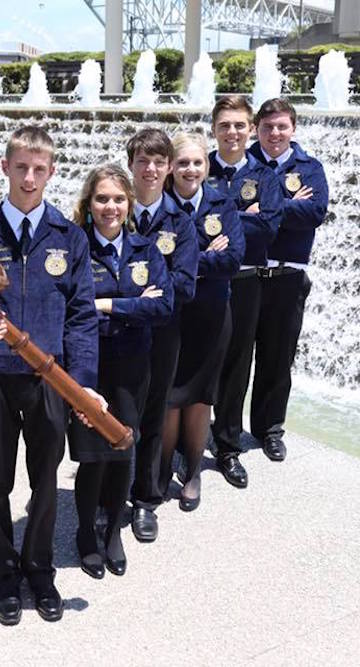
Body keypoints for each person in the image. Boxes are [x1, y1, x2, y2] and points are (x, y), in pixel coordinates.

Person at [0, 126, 102, 625]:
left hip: (49, 381)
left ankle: (39, 570)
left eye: (39, 169)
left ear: (52, 172)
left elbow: (83, 315)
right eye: (21, 166)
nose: (29, 177)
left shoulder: (70, 237)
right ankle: (4, 575)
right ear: (5, 167)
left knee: (45, 480)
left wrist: (82, 382)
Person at [69, 164, 172, 579]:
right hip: (87, 364)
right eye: (101, 199)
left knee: (123, 447)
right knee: (92, 455)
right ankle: (85, 535)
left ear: (129, 203)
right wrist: (134, 304)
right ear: (88, 204)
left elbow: (163, 307)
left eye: (117, 199)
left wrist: (108, 305)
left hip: (132, 365)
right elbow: (73, 308)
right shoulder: (75, 249)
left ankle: (113, 532)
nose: (110, 207)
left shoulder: (146, 249)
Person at [159, 131, 244, 511]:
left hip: (211, 315)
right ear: (171, 167)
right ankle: (160, 473)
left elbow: (232, 260)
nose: (190, 169)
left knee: (199, 400)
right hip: (169, 316)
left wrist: (183, 260)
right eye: (182, 163)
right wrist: (203, 256)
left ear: (206, 166)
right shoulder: (158, 207)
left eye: (197, 162)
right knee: (167, 400)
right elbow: (154, 267)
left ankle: (192, 473)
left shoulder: (222, 204)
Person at [246, 98, 329, 466]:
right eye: (267, 127)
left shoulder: (309, 168)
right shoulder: (242, 164)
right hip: (245, 276)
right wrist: (285, 203)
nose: (274, 134)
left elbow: (314, 212)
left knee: (277, 360)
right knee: (231, 361)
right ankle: (224, 431)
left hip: (288, 277)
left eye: (281, 127)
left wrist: (264, 206)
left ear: (292, 128)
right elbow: (228, 209)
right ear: (256, 130)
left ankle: (269, 430)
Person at [207, 96, 284, 489]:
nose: (232, 132)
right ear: (214, 128)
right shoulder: (197, 168)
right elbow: (187, 220)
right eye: (225, 125)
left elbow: (268, 227)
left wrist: (219, 221)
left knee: (238, 366)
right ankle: (184, 442)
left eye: (239, 125)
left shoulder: (264, 175)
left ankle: (226, 446)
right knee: (197, 361)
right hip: (203, 281)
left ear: (250, 128)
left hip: (246, 280)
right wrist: (241, 216)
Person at [126, 128, 199, 542]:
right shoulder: (115, 209)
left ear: (169, 168)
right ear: (131, 165)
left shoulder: (181, 224)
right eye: (142, 162)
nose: (150, 170)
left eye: (158, 162)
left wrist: (129, 294)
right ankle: (107, 497)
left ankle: (145, 500)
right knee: (114, 416)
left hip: (163, 336)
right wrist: (146, 295)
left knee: (153, 417)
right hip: (116, 337)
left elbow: (185, 286)